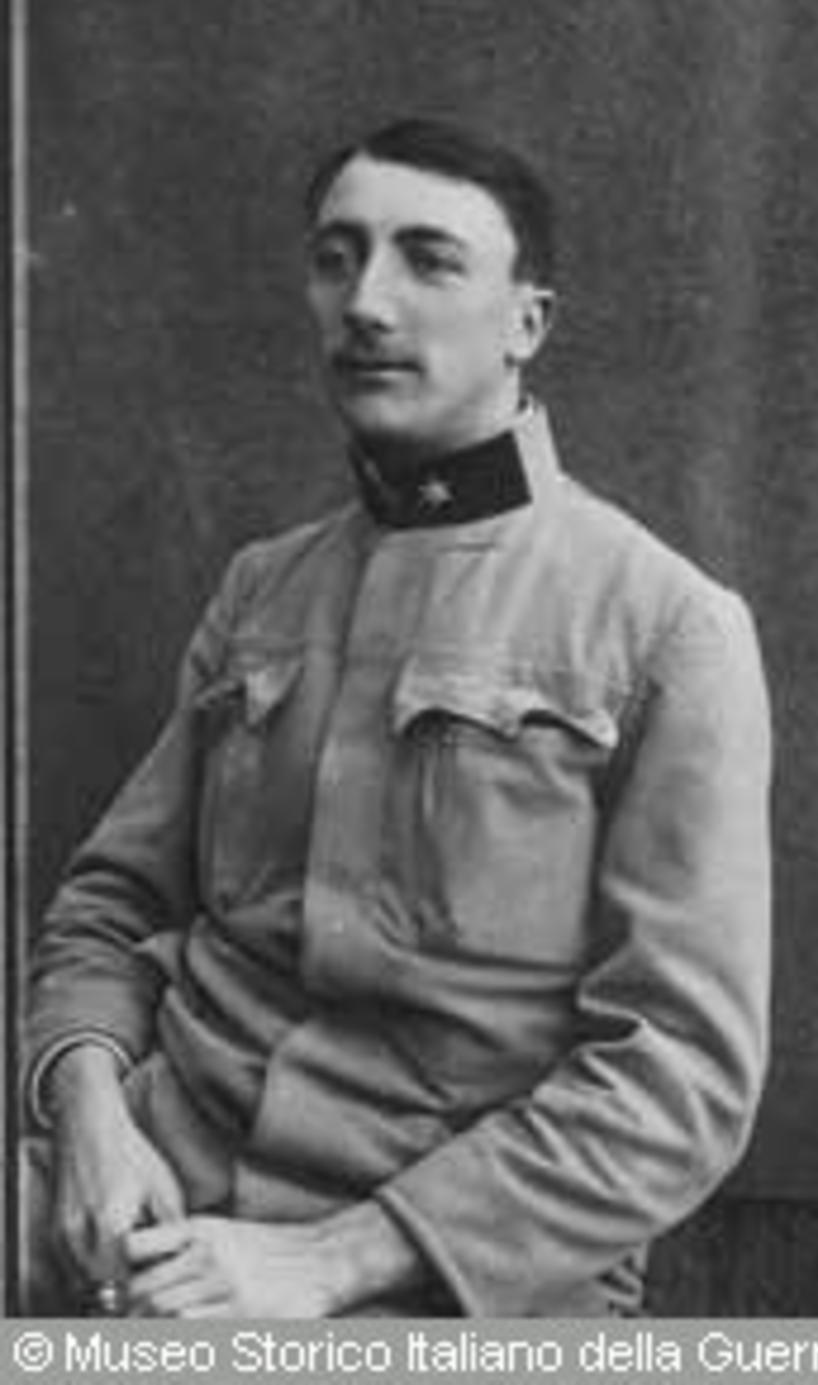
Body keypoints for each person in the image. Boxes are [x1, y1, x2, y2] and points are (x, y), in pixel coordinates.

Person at [22, 117, 773, 1318]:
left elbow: (680, 1078)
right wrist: (89, 1120)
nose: (366, 303)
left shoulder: (664, 625)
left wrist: (327, 1261)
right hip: (148, 1181)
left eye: (428, 260)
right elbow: (111, 906)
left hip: (443, 1272)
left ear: (527, 322)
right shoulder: (263, 589)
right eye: (337, 258)